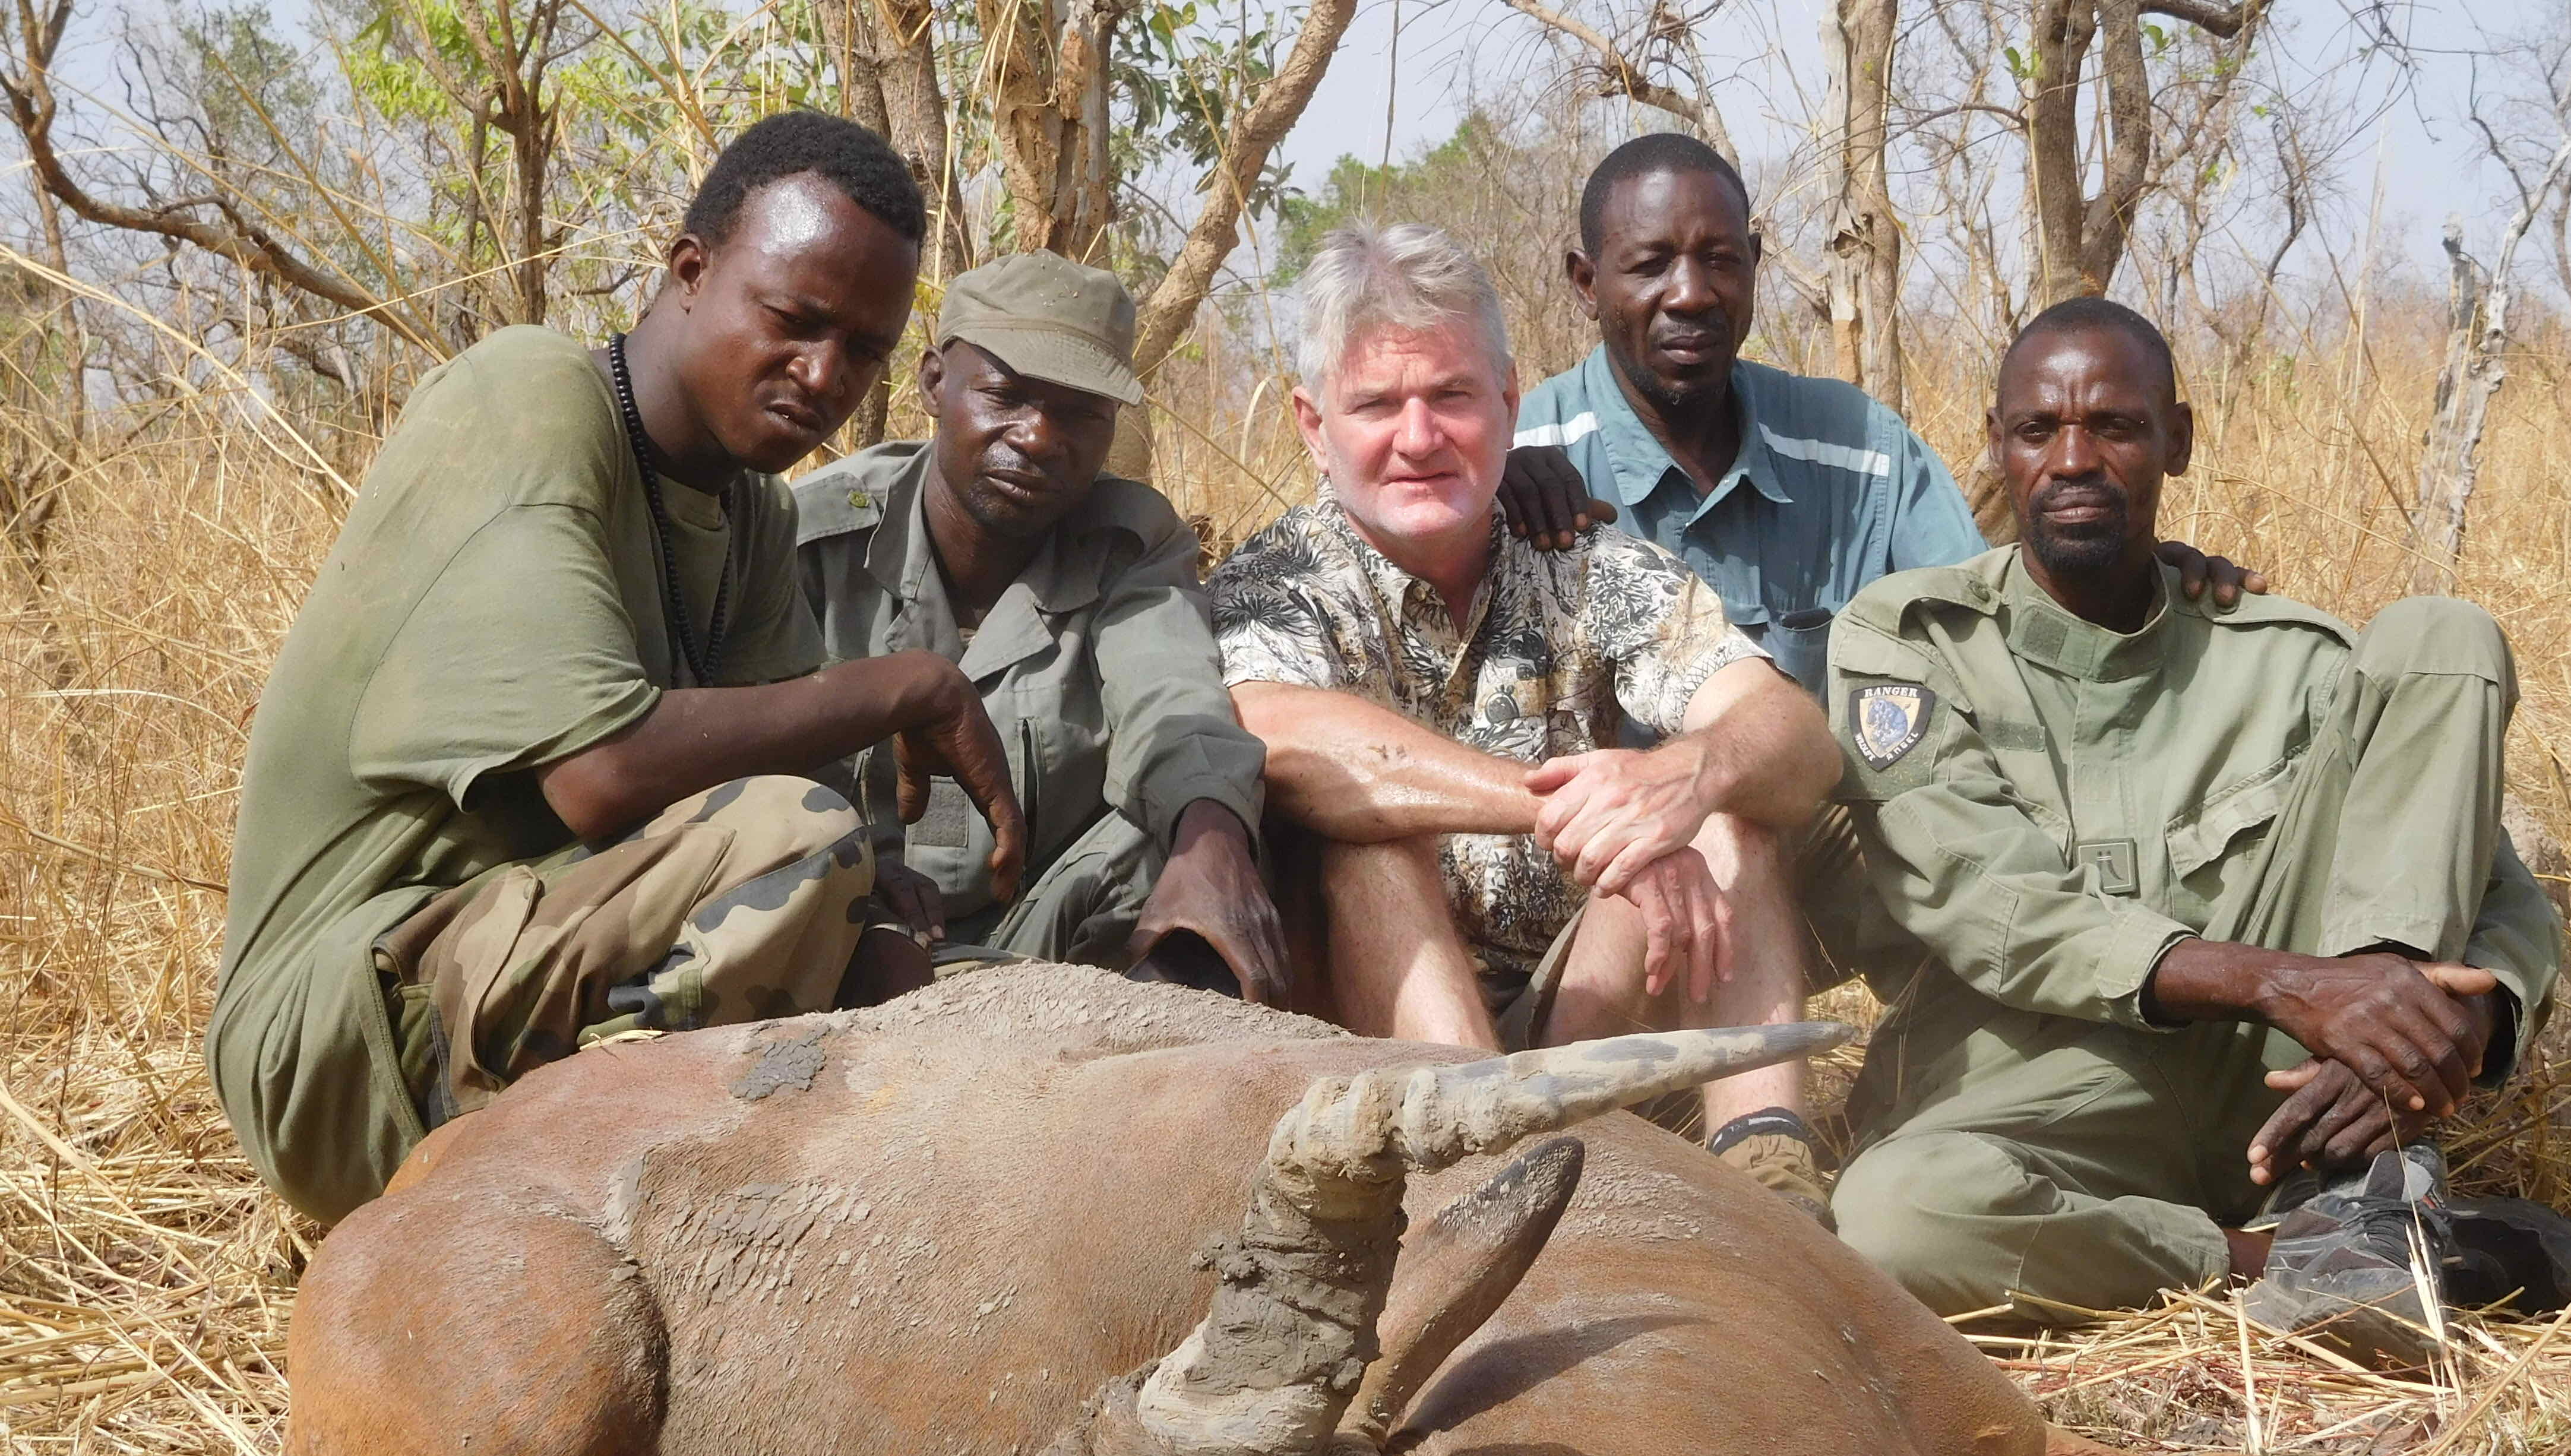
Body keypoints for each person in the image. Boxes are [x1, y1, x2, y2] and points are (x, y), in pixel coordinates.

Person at [206, 112, 1023, 1225]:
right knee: (801, 845)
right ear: (690, 271)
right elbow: (601, 777)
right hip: (343, 1036)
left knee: (959, 980)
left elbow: (800, 795)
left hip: (515, 957)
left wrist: (876, 918)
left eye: (865, 350)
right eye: (793, 319)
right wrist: (908, 686)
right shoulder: (530, 397)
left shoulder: (748, 513)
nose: (824, 376)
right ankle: (565, 1206)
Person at [1821, 297, 2571, 1357]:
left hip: (2283, 1088)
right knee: (1888, 1218)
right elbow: (1994, 906)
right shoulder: (1909, 641)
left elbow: (2490, 885)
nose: (2074, 458)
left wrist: (2447, 1030)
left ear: (2175, 441)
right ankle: (2306, 1260)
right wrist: (2295, 986)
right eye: (2038, 429)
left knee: (2439, 634)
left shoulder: (2285, 655)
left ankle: (2367, 1181)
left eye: (2116, 426)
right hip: (2039, 1087)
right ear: (1997, 447)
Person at [1210, 223, 1845, 1214]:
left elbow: (1795, 744)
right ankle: (1479, 1188)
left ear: (1508, 401)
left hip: (1578, 1016)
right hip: (1391, 1053)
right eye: (1376, 404)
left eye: (1452, 397)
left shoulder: (1596, 568)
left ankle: (1770, 1181)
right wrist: (1584, 810)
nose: (1417, 438)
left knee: (1730, 807)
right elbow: (1283, 734)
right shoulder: (1271, 582)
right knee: (1367, 848)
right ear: (1311, 423)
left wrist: (1687, 780)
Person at [1499, 132, 2262, 690]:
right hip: (1614, 873)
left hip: (1839, 873)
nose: (1692, 292)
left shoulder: (1861, 448)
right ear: (1585, 281)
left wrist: (2142, 582)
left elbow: (1991, 622)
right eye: (1651, 263)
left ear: (1756, 264)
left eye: (1721, 259)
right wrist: (1486, 499)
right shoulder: (1517, 459)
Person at [794, 252, 1285, 999]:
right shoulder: (812, 538)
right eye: (1007, 396)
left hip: (1041, 940)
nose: (1039, 438)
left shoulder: (1131, 543)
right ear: (933, 383)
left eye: (1081, 413)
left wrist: (1210, 842)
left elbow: (1172, 700)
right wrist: (862, 895)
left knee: (1208, 822)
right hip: (850, 924)